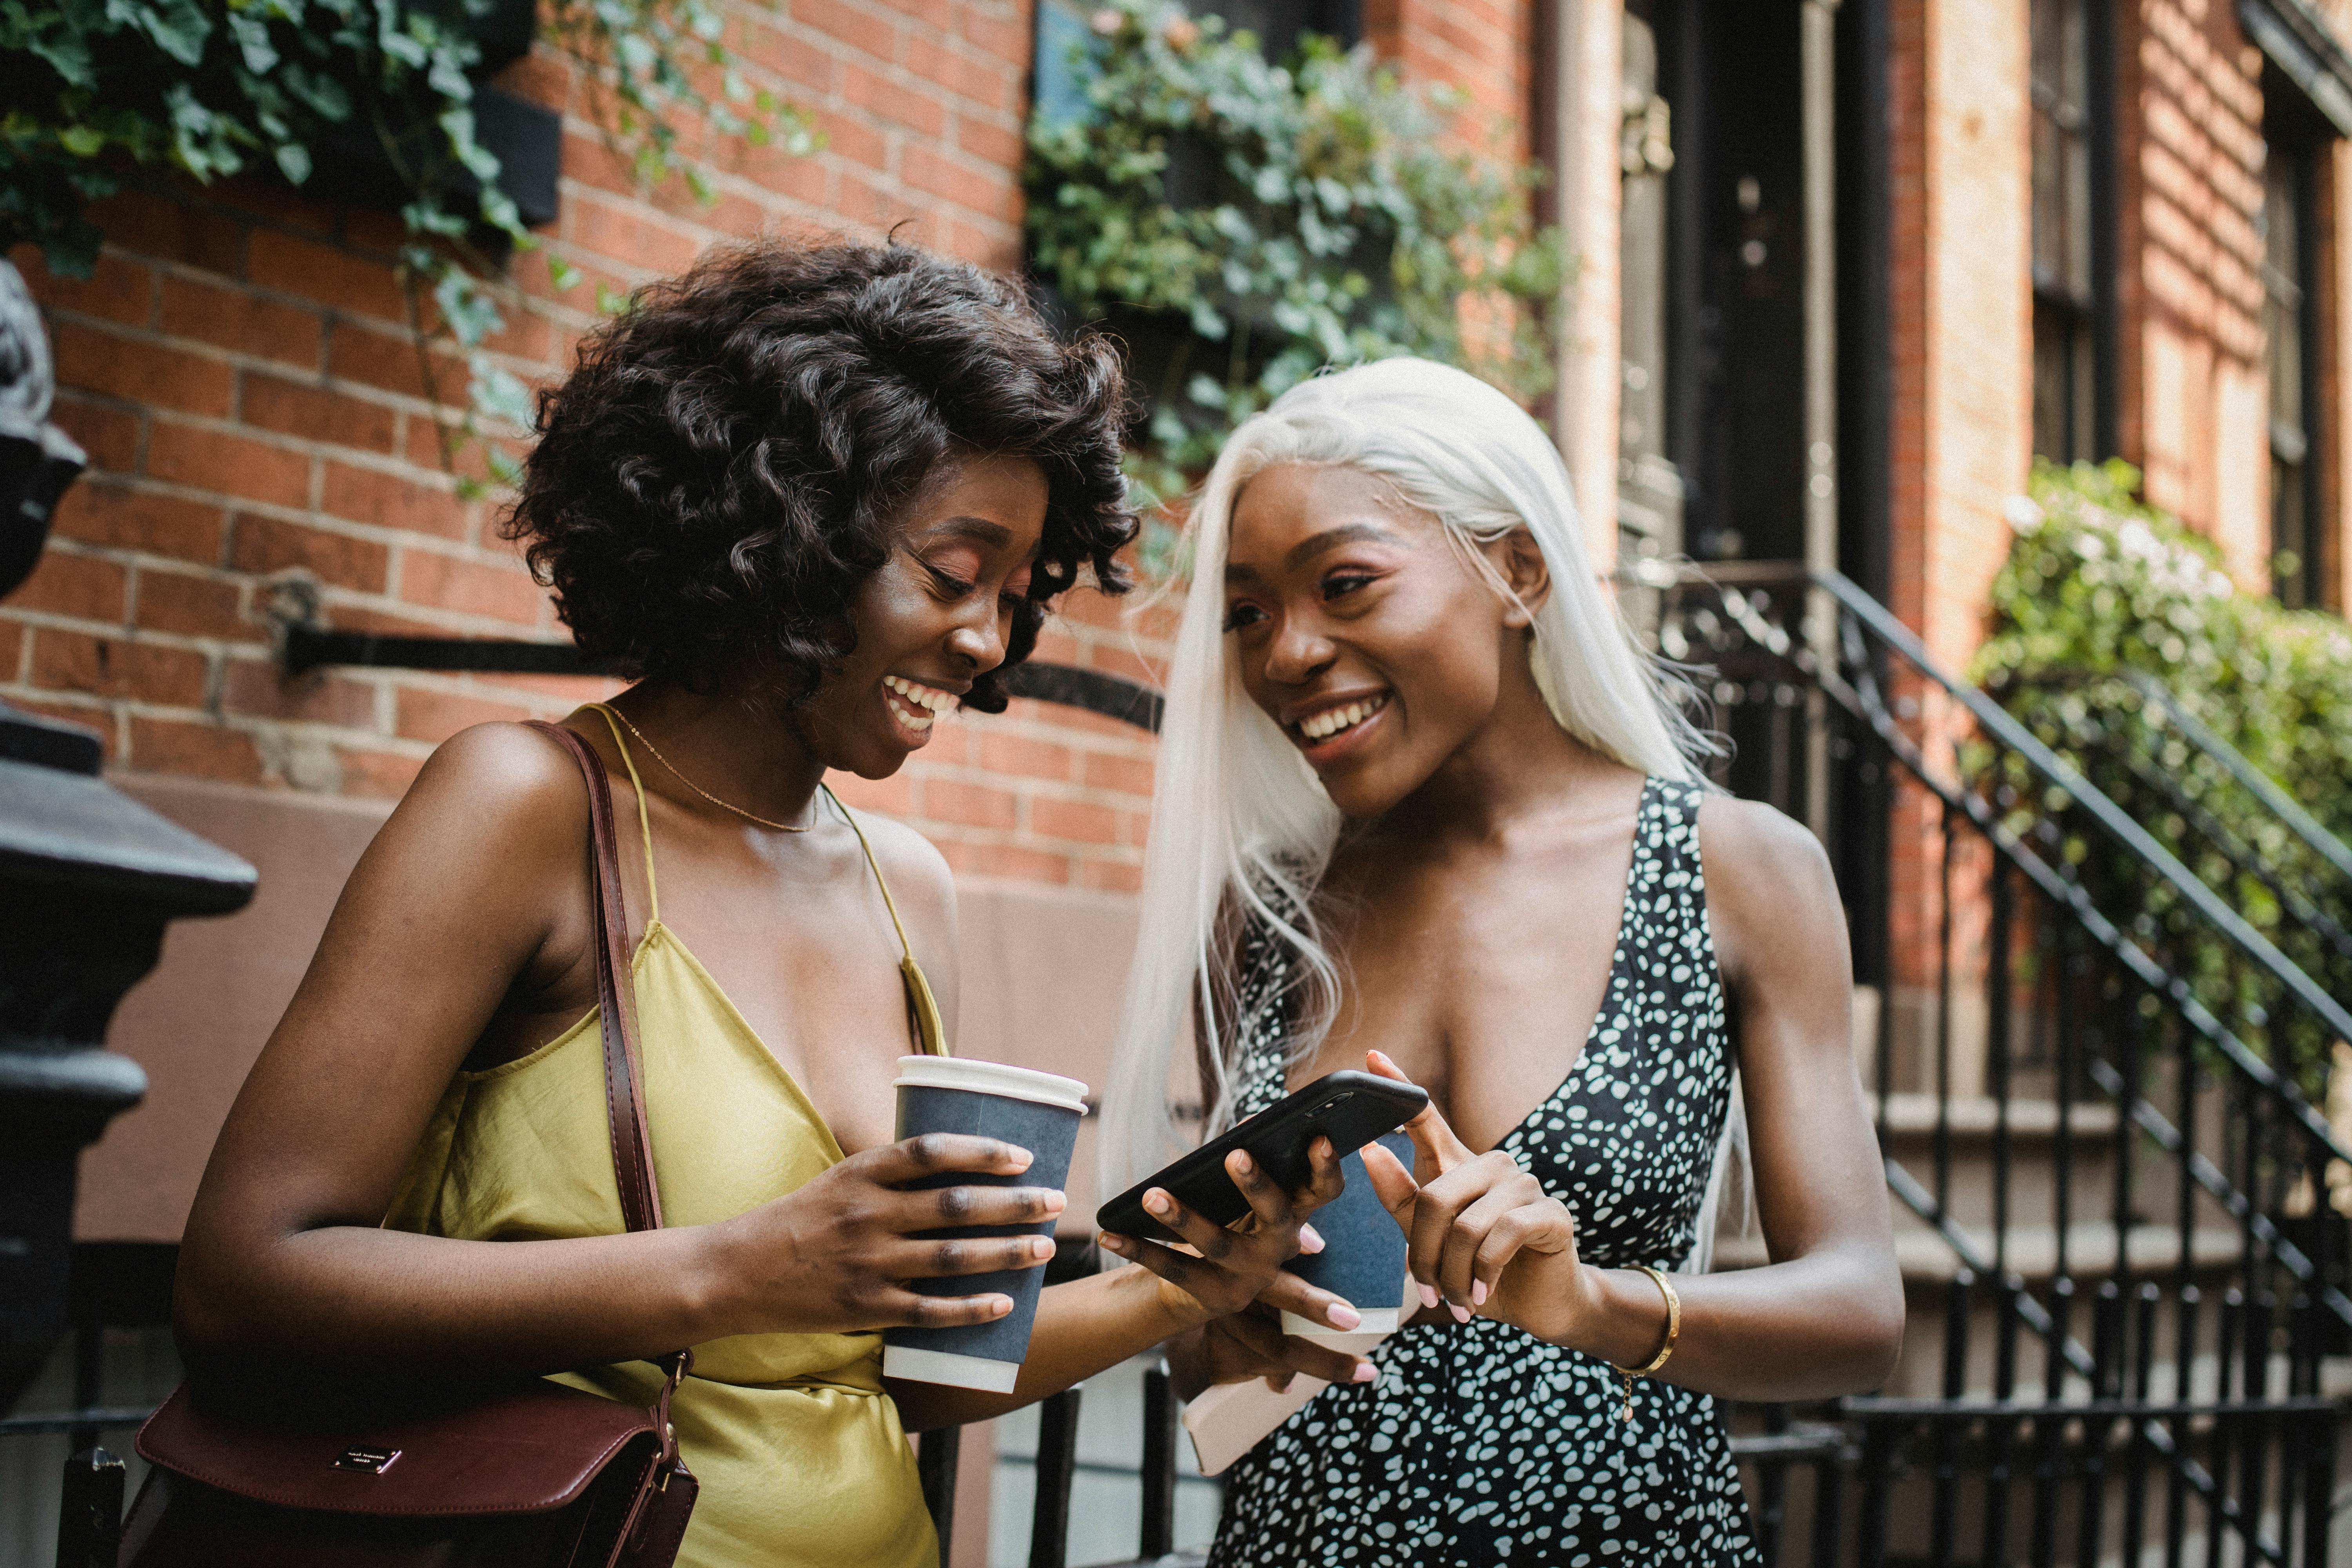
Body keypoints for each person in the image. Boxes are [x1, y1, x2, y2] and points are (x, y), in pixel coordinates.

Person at [172, 239, 1357, 1568]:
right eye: (954, 575)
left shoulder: (909, 887)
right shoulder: (529, 808)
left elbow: (911, 1376)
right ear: (791, 529)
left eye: (1015, 600)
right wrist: (742, 1268)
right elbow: (246, 1281)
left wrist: (1178, 1294)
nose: (984, 643)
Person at [1103, 358, 1904, 1564]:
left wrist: (1592, 1306)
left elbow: (1859, 1310)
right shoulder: (1265, 913)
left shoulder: (1735, 871)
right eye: (1249, 612)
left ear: (1517, 571)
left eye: (1346, 584)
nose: (1287, 654)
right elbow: (1223, 1385)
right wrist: (1224, 1313)